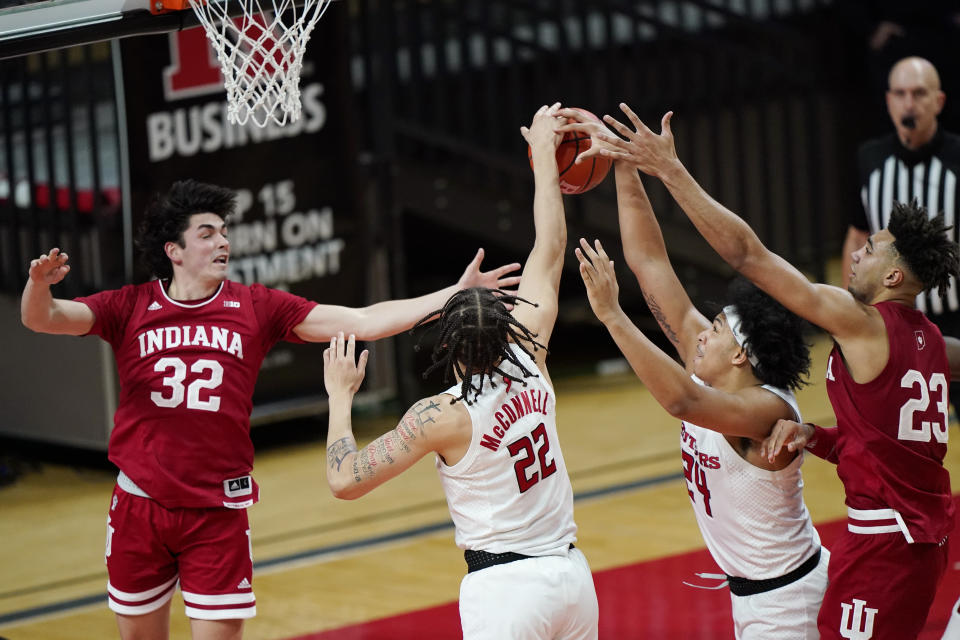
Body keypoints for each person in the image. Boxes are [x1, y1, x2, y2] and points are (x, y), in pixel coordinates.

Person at [19, 179, 521, 640]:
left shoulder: (256, 305)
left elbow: (363, 320)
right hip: (139, 507)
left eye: (224, 232)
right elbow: (43, 319)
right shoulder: (128, 306)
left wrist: (454, 294)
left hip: (217, 512)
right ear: (173, 250)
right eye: (207, 233)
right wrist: (38, 285)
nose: (223, 243)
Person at [590, 102, 958, 639]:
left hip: (838, 569)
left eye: (871, 250)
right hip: (892, 541)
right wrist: (625, 161)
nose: (854, 253)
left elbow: (747, 256)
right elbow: (650, 264)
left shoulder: (841, 342)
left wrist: (669, 170)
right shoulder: (930, 341)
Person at [321, 103, 599, 640]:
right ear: (508, 322)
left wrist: (339, 396)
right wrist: (545, 157)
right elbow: (551, 246)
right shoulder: (532, 347)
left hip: (506, 592)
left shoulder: (439, 416)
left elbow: (342, 480)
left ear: (446, 343)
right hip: (571, 579)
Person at [564, 136, 827, 639]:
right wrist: (622, 162)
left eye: (717, 329)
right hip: (757, 595)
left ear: (740, 355)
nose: (700, 330)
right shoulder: (712, 365)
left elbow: (681, 402)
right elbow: (649, 262)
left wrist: (613, 317)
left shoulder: (766, 410)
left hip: (790, 604)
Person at [842, 56, 960, 415]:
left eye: (919, 93)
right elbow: (857, 234)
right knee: (893, 425)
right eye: (901, 93)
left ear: (938, 101)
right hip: (891, 323)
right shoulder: (869, 159)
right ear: (888, 100)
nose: (909, 103)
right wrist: (851, 306)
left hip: (955, 315)